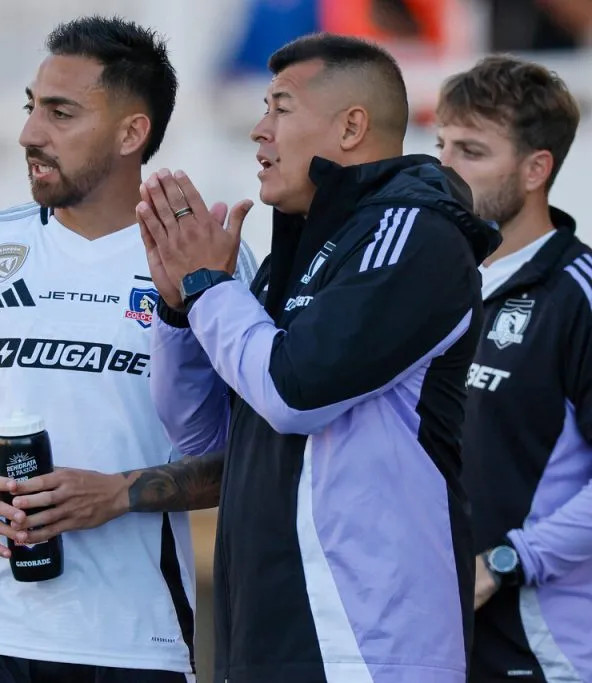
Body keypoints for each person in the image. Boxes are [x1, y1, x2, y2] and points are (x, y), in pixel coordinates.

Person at [0, 15, 257, 683]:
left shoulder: (204, 260)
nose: (30, 132)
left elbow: (253, 458)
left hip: (136, 644)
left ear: (131, 133)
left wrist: (119, 493)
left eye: (60, 113)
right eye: (31, 108)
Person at [138, 33, 502, 683]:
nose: (258, 130)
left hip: (373, 647)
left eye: (280, 107)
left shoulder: (414, 232)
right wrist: (177, 308)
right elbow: (199, 431)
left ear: (352, 126)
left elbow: (295, 392)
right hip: (266, 638)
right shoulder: (289, 260)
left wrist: (208, 288)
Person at [436, 55, 591, 681]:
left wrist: (506, 561)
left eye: (471, 151)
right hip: (428, 641)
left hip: (542, 650)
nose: (443, 168)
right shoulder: (429, 286)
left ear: (536, 169)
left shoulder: (576, 295)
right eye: (439, 144)